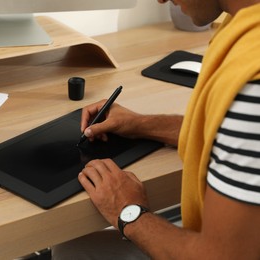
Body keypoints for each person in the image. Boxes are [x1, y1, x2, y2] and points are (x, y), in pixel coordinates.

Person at [52, 0, 260, 259]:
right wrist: (141, 124)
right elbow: (229, 133)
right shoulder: (247, 31)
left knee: (73, 251)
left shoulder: (253, 85)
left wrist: (129, 212)